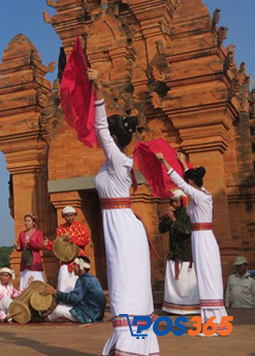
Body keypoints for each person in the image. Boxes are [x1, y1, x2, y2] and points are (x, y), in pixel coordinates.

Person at [87, 69, 159, 355]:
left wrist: (98, 88)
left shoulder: (117, 160)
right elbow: (102, 132)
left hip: (124, 229)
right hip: (120, 226)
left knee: (124, 285)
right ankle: (133, 345)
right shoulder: (115, 163)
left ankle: (130, 345)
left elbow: (100, 128)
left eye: (107, 136)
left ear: (115, 138)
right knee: (126, 283)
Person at [157, 151, 229, 335]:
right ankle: (215, 322)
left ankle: (212, 324)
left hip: (203, 238)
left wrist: (165, 160)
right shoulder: (203, 192)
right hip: (202, 237)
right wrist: (183, 163)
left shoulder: (199, 196)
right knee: (206, 278)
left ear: (190, 183)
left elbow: (182, 184)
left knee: (206, 279)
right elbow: (189, 180)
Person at [159, 189, 200, 315]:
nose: (173, 204)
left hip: (186, 255)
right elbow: (161, 229)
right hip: (174, 254)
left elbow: (187, 230)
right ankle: (173, 308)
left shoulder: (189, 214)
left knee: (186, 284)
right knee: (173, 284)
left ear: (182, 201)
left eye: (175, 201)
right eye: (172, 201)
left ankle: (190, 308)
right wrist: (167, 218)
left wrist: (174, 219)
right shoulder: (172, 214)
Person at [42, 256, 105, 323]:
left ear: (80, 267)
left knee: (58, 310)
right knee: (66, 306)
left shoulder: (83, 280)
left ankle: (45, 319)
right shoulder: (92, 278)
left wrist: (55, 292)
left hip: (89, 316)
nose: (73, 268)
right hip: (97, 314)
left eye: (74, 265)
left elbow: (74, 299)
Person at [46, 206, 91, 292]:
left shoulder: (81, 227)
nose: (70, 217)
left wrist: (71, 238)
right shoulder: (60, 228)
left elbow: (86, 239)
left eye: (71, 215)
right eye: (67, 215)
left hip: (79, 259)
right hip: (65, 260)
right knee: (64, 282)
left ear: (75, 215)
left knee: (79, 282)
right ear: (64, 216)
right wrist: (48, 243)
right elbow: (58, 245)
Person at [14, 213, 47, 290]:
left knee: (36, 283)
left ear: (33, 223)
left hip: (35, 261)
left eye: (28, 221)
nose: (26, 223)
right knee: (25, 283)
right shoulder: (22, 234)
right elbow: (21, 247)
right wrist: (17, 247)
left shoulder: (38, 233)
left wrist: (31, 242)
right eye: (25, 221)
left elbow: (40, 246)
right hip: (25, 261)